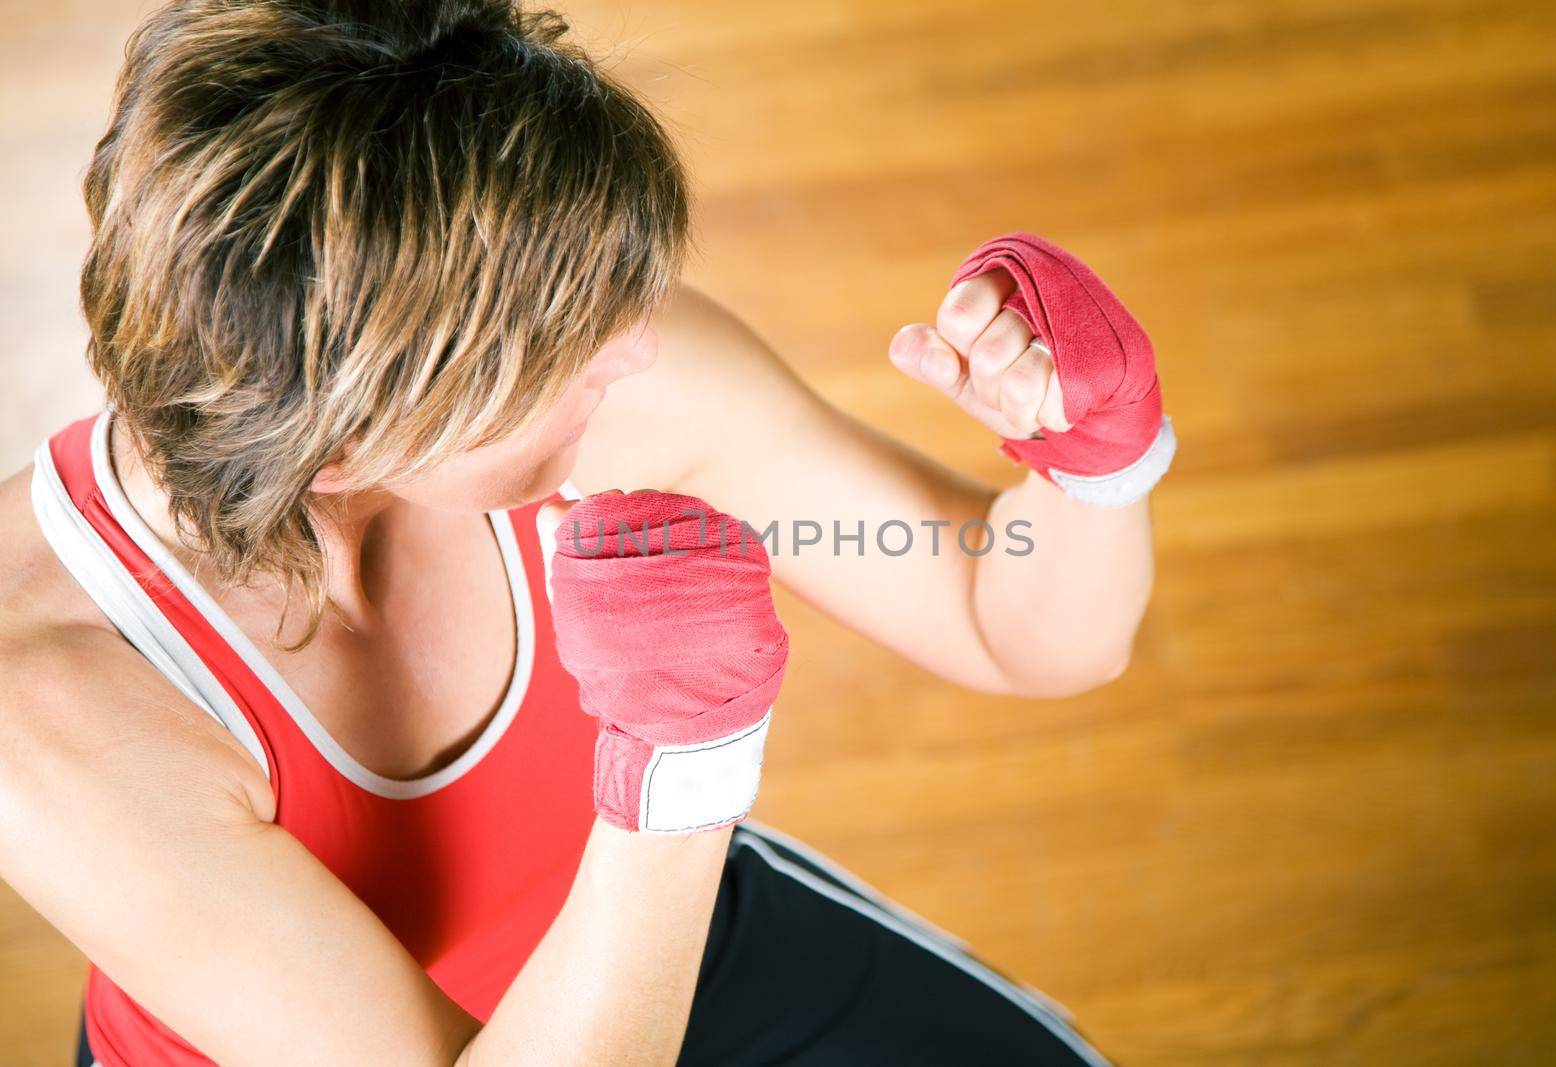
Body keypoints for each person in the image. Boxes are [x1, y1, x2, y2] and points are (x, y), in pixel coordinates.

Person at [0, 1, 1171, 1063]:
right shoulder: (47, 701)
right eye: (560, 347)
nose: (636, 348)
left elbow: (1019, 629)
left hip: (647, 915)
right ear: (346, 442)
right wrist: (682, 770)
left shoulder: (617, 390)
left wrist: (1092, 461)